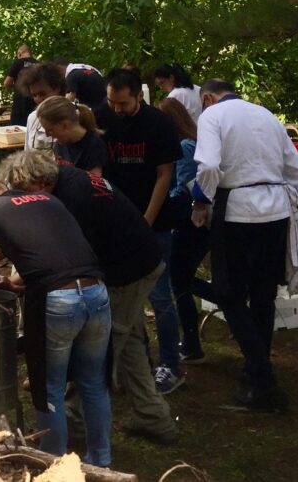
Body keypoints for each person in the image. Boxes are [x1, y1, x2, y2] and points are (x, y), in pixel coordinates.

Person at [0, 152, 112, 466]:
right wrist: (1, 256)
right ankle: (101, 461)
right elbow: (47, 243)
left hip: (57, 300)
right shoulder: (50, 200)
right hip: (97, 292)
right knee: (92, 382)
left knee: (50, 387)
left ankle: (53, 464)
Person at [192, 79, 298, 413]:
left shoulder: (212, 116)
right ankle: (257, 368)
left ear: (207, 98)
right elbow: (296, 168)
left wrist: (201, 199)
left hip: (238, 211)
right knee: (263, 294)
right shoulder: (265, 114)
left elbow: (210, 165)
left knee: (229, 292)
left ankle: (261, 374)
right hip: (275, 209)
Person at [41, 162, 176, 445]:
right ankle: (153, 418)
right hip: (138, 261)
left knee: (97, 346)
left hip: (130, 272)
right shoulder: (67, 177)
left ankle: (73, 424)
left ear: (40, 182)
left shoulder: (75, 201)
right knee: (129, 343)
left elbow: (78, 259)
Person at [104, 69, 185, 395]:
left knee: (159, 293)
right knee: (122, 296)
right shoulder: (103, 119)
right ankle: (136, 363)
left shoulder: (158, 123)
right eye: (112, 102)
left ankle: (170, 364)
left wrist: (146, 220)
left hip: (155, 221)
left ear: (139, 96)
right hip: (116, 222)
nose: (118, 109)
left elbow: (165, 175)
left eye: (123, 103)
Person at [159, 97, 215, 364]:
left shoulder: (183, 146)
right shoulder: (194, 142)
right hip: (192, 223)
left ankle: (192, 344)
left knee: (180, 281)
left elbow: (189, 188)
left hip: (192, 223)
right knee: (181, 279)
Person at [36, 95, 106, 177]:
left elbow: (94, 183)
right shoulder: (59, 145)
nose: (47, 134)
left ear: (65, 125)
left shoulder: (94, 145)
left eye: (50, 130)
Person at [18, 62, 66, 150]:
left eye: (42, 94)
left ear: (57, 88)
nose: (39, 99)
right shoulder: (33, 118)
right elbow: (27, 153)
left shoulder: (74, 115)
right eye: (34, 95)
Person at [4, 45, 40, 127]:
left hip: (20, 102)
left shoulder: (18, 63)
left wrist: (17, 86)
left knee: (17, 128)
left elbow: (7, 83)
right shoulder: (38, 64)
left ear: (19, 54)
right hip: (35, 101)